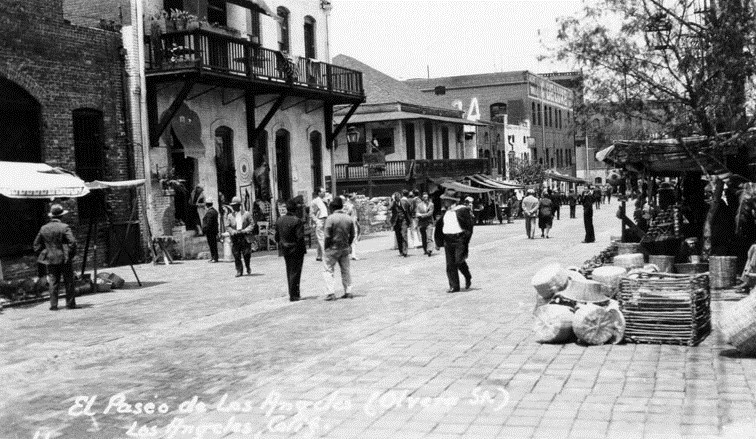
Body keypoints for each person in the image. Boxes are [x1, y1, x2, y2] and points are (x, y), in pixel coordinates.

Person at [34, 204, 78, 310]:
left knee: (53, 282)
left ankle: (53, 305)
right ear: (61, 216)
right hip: (64, 258)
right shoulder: (64, 227)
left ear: (51, 216)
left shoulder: (44, 228)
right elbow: (73, 242)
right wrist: (70, 255)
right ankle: (70, 304)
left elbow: (36, 245)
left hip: (50, 259)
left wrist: (44, 254)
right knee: (69, 281)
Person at [434, 189, 474, 293]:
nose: (444, 202)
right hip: (448, 240)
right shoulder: (446, 212)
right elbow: (440, 227)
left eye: (446, 200)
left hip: (459, 239)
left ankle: (467, 275)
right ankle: (454, 286)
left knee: (459, 260)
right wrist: (438, 242)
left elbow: (469, 226)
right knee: (450, 264)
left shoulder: (462, 210)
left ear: (452, 201)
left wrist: (466, 239)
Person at [323, 197, 355, 301]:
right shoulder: (348, 218)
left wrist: (326, 247)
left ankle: (331, 293)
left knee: (328, 270)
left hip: (332, 247)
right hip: (344, 247)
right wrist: (348, 244)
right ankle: (348, 291)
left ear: (332, 207)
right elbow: (353, 234)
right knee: (345, 270)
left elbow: (327, 235)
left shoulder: (330, 218)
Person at [276, 198, 307, 302]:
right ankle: (294, 295)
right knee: (295, 272)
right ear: (295, 209)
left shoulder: (279, 220)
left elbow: (276, 237)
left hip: (285, 249)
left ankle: (293, 293)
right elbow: (300, 237)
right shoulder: (297, 221)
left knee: (289, 271)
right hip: (296, 249)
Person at [225, 196, 255, 277]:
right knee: (236, 255)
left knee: (246, 254)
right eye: (233, 206)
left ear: (239, 205)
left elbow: (252, 224)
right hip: (235, 237)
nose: (234, 207)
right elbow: (227, 226)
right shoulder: (230, 216)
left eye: (236, 205)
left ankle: (247, 266)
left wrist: (245, 230)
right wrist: (233, 231)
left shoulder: (246, 214)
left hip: (244, 237)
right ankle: (239, 270)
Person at [389, 191, 411, 257]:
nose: (397, 199)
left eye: (398, 197)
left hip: (403, 220)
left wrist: (409, 218)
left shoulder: (404, 202)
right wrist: (392, 200)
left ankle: (405, 251)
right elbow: (389, 208)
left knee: (404, 235)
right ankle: (401, 251)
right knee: (398, 236)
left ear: (400, 197)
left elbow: (409, 208)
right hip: (396, 222)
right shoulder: (393, 203)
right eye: (395, 198)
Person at [310, 187, 328, 262]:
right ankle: (325, 255)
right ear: (319, 193)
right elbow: (311, 213)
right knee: (322, 238)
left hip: (325, 220)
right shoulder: (314, 201)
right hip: (320, 220)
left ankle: (319, 255)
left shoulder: (324, 201)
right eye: (323, 192)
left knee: (321, 239)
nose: (324, 193)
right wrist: (316, 221)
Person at [416, 192, 435, 256]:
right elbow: (417, 213)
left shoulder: (431, 204)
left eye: (427, 197)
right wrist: (420, 215)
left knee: (429, 236)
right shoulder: (419, 205)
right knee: (423, 237)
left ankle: (429, 249)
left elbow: (430, 213)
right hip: (421, 223)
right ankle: (425, 249)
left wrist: (421, 215)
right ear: (422, 198)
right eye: (424, 197)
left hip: (429, 222)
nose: (426, 198)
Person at [343, 193, 361, 260]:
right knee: (351, 238)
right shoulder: (349, 206)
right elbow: (347, 214)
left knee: (354, 238)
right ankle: (349, 254)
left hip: (353, 222)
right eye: (355, 198)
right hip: (350, 223)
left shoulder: (349, 205)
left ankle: (353, 254)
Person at [202, 198, 219, 262]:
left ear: (207, 205)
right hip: (214, 231)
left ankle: (214, 257)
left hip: (210, 231)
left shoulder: (209, 212)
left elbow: (209, 223)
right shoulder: (214, 211)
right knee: (213, 244)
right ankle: (214, 257)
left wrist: (205, 230)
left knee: (212, 244)